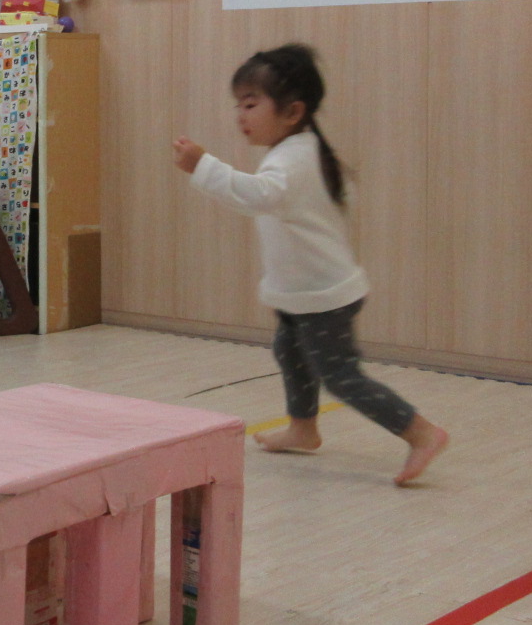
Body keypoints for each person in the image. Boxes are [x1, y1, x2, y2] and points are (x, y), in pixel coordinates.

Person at [173, 43, 449, 484]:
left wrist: (203, 166)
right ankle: (303, 428)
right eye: (237, 104)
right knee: (290, 352)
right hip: (302, 292)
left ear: (292, 112)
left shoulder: (293, 159)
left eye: (250, 104)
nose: (240, 115)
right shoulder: (299, 151)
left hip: (323, 296)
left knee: (340, 376)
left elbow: (259, 196)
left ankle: (420, 433)